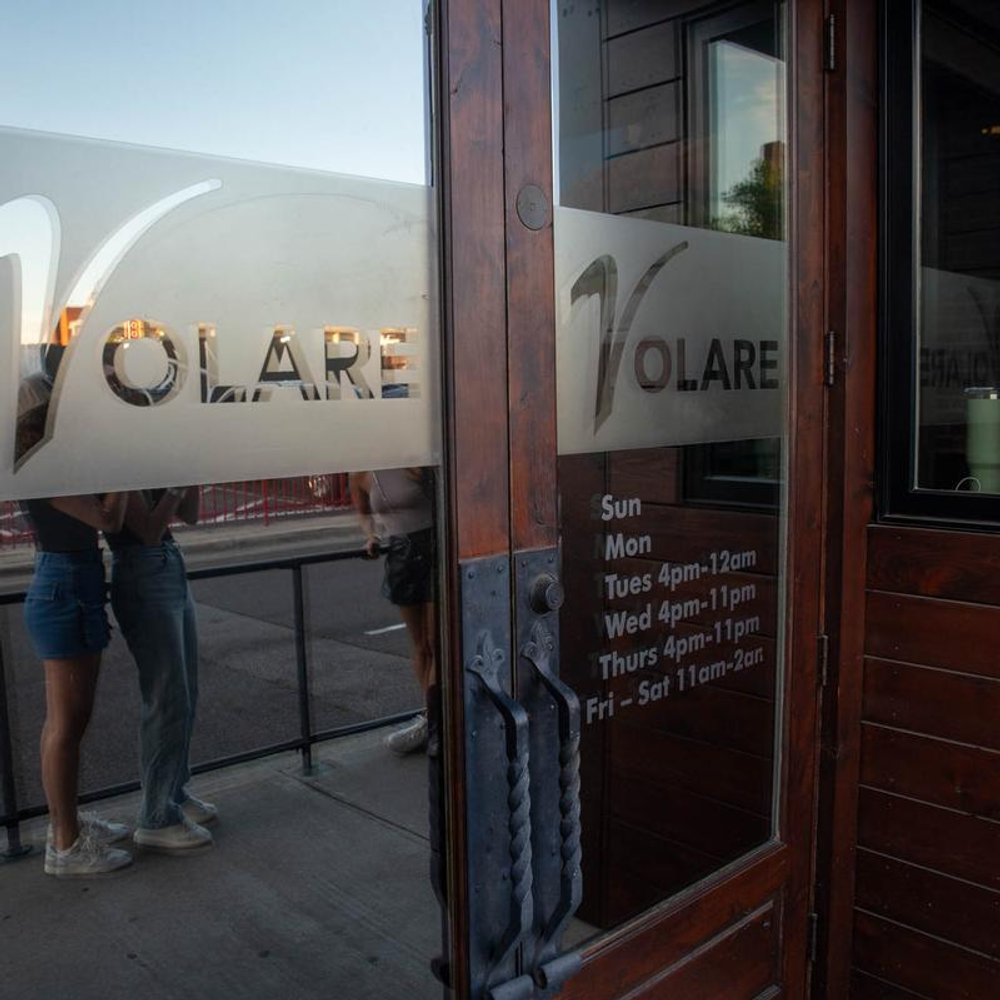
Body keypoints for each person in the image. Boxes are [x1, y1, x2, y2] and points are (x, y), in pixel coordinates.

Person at [18, 377, 133, 877]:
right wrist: (128, 466)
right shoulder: (43, 468)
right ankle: (65, 844)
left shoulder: (50, 463)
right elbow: (105, 518)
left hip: (75, 580)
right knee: (65, 724)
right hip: (63, 584)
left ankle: (67, 825)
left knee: (73, 720)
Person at [107, 487, 216, 853]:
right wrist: (173, 489)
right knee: (166, 696)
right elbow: (148, 529)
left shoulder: (149, 459)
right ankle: (156, 815)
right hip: (142, 567)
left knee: (185, 692)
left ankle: (174, 792)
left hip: (168, 563)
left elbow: (192, 515)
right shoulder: (120, 467)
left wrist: (188, 476)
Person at [351, 468, 436, 754]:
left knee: (438, 644)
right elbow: (362, 511)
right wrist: (371, 535)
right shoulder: (362, 472)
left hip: (436, 547)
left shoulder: (416, 461)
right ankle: (430, 719)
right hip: (402, 555)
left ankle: (436, 720)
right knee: (421, 645)